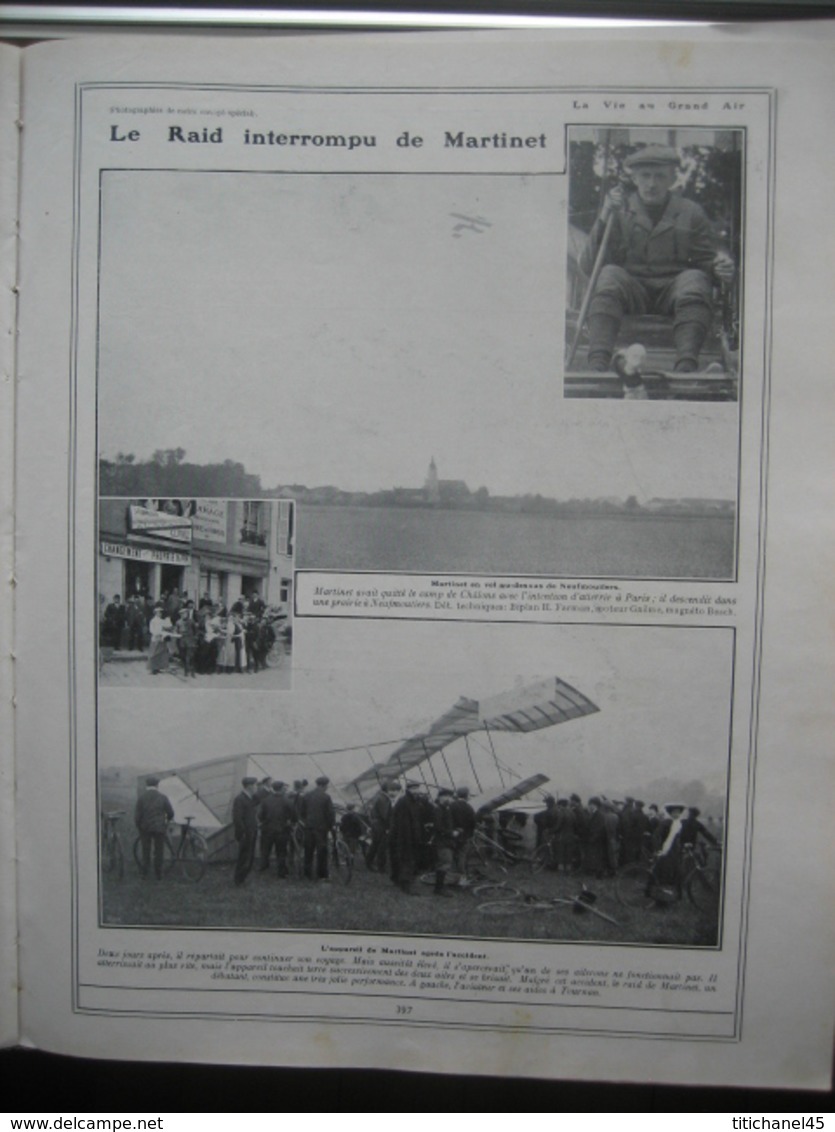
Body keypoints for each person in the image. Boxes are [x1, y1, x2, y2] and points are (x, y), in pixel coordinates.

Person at [580, 145, 735, 374]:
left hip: (673, 292)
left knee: (695, 278)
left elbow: (706, 263)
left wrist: (720, 268)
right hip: (633, 291)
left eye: (660, 176)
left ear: (672, 178)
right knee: (609, 274)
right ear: (634, 177)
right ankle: (597, 364)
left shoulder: (691, 212)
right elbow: (589, 266)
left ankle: (686, 366)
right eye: (645, 176)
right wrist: (604, 215)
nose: (652, 184)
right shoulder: (617, 210)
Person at [134, 775, 174, 880]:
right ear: (157, 785)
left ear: (147, 785)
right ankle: (158, 874)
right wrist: (166, 822)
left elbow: (137, 816)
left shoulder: (141, 798)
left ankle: (144, 873)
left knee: (146, 850)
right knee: (159, 851)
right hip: (159, 827)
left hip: (145, 828)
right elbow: (170, 813)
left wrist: (139, 826)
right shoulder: (163, 797)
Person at [390, 781, 425, 894]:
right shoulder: (404, 802)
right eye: (414, 789)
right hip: (405, 836)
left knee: (406, 859)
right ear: (409, 789)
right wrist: (408, 837)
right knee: (407, 860)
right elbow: (402, 823)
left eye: (417, 788)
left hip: (411, 835)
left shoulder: (414, 801)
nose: (417, 791)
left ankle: (398, 879)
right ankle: (406, 885)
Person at [301, 775, 335, 881]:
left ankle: (307, 874)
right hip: (321, 828)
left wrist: (306, 822)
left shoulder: (307, 796)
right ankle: (322, 875)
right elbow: (330, 814)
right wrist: (330, 826)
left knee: (308, 851)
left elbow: (302, 812)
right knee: (322, 852)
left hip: (309, 827)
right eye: (326, 786)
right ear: (324, 785)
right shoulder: (326, 797)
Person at [258, 780, 294, 877]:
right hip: (281, 830)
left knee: (265, 849)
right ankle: (282, 872)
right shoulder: (287, 800)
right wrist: (289, 821)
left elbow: (260, 815)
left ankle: (263, 867)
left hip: (267, 829)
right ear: (282, 788)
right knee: (281, 851)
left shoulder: (265, 800)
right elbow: (294, 815)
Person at [365, 780, 397, 873]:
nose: (395, 792)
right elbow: (385, 815)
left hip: (376, 824)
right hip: (381, 825)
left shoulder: (379, 796)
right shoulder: (384, 799)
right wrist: (388, 828)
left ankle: (368, 862)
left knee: (375, 844)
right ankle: (380, 867)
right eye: (394, 790)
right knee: (381, 846)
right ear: (388, 790)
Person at [232, 776, 259, 886]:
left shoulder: (249, 798)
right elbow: (237, 818)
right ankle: (239, 880)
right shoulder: (240, 799)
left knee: (249, 856)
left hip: (251, 831)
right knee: (244, 857)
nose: (256, 787)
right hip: (246, 833)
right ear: (249, 786)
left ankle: (242, 878)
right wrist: (242, 833)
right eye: (255, 785)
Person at [432, 788, 456, 896]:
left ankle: (440, 887)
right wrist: (451, 833)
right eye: (446, 796)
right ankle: (439, 888)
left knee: (445, 863)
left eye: (450, 796)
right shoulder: (438, 809)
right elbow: (438, 827)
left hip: (446, 840)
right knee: (444, 863)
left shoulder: (446, 809)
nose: (449, 798)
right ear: (440, 797)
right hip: (442, 841)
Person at [450, 785, 476, 875]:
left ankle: (452, 874)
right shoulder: (469, 807)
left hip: (453, 834)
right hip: (465, 835)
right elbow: (473, 823)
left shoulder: (451, 805)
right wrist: (471, 834)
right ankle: (461, 875)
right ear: (466, 796)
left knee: (453, 854)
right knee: (463, 855)